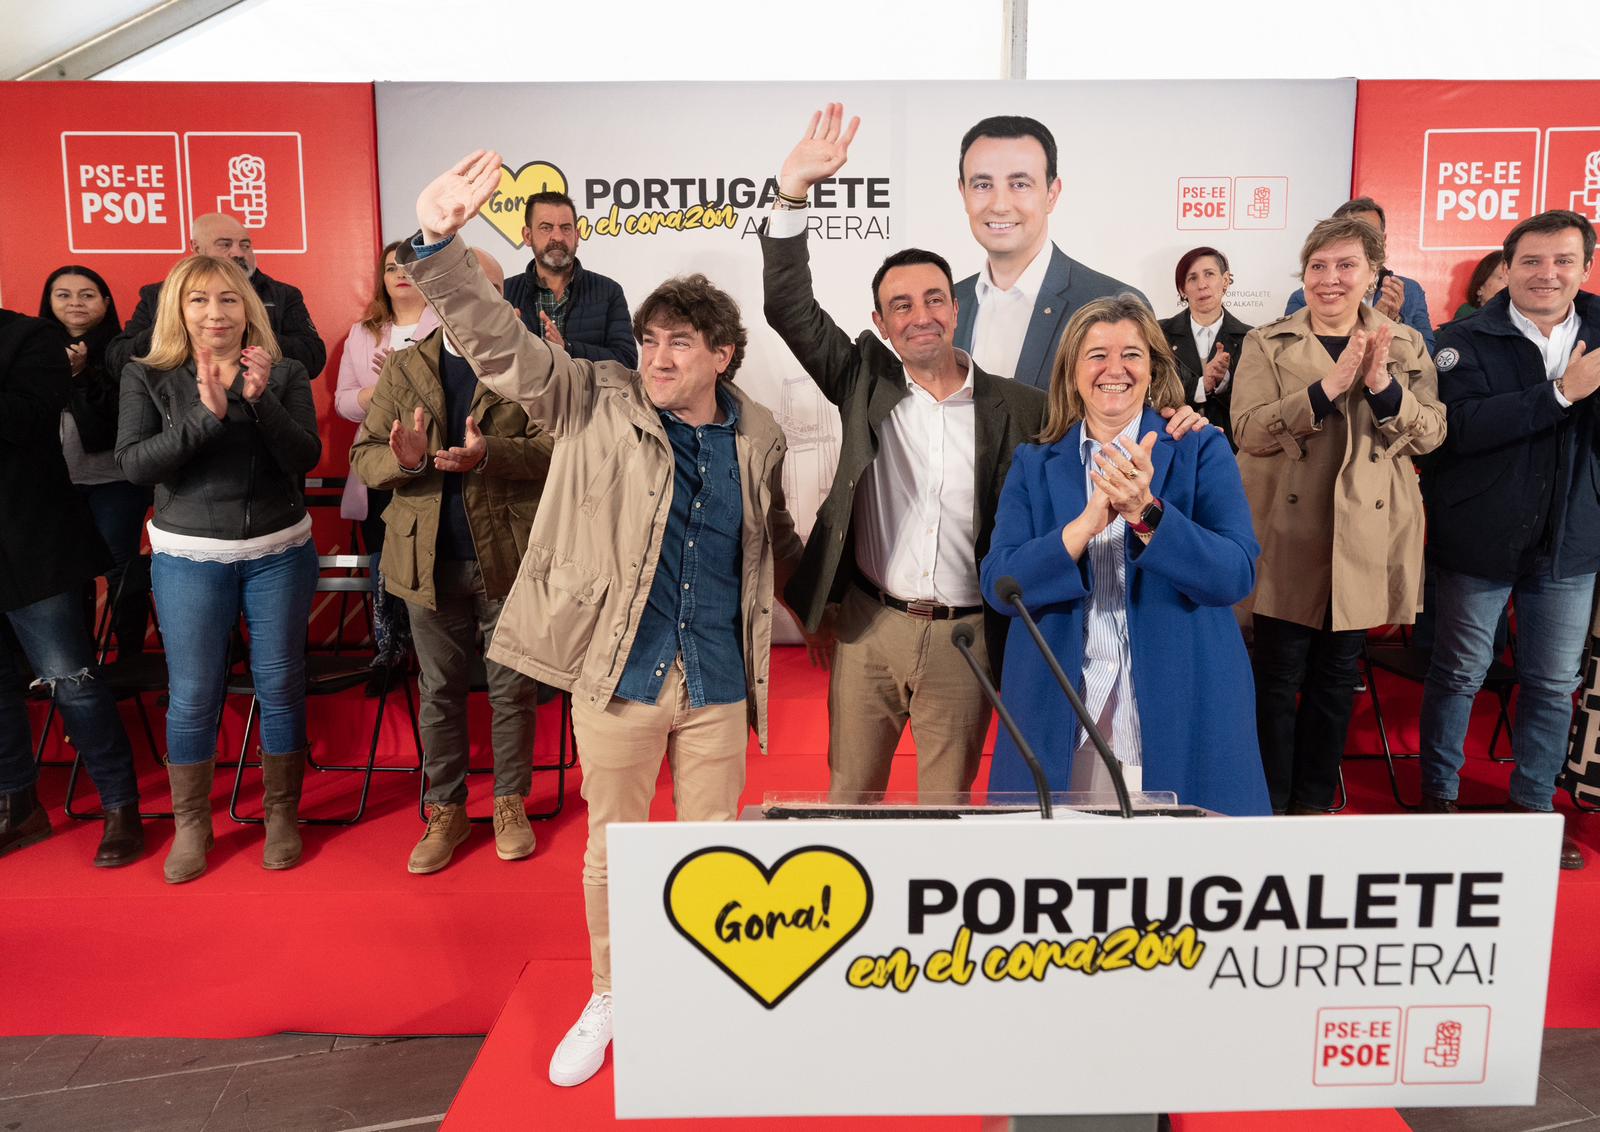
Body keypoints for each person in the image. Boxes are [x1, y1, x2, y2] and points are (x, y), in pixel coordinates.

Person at [401, 150, 802, 1088]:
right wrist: (437, 245)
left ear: (723, 357)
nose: (658, 357)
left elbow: (768, 539)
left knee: (712, 853)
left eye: (680, 345)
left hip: (714, 680)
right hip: (619, 668)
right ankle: (616, 992)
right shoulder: (593, 396)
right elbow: (501, 348)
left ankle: (703, 991)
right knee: (613, 848)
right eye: (651, 339)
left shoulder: (762, 436)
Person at [762, 103, 1046, 800]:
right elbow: (787, 305)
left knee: (943, 814)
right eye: (901, 305)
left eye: (934, 299)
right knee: (849, 801)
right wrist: (793, 194)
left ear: (956, 308)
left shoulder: (1021, 407)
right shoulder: (863, 377)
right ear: (881, 323)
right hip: (869, 628)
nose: (920, 315)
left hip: (968, 638)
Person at [979, 295, 1268, 816]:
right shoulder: (1034, 461)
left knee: (1181, 879)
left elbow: (1234, 574)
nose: (1115, 369)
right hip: (1063, 711)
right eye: (1097, 355)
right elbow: (1001, 584)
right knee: (1062, 877)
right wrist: (1085, 526)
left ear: (1153, 367)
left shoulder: (1201, 448)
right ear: (1070, 372)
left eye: (1132, 354)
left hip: (1182, 702)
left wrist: (1147, 513)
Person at [116, 254, 322, 883]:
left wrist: (258, 403)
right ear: (179, 308)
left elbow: (305, 457)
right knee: (195, 695)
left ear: (248, 308)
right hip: (190, 557)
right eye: (200, 300)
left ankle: (282, 814)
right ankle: (192, 825)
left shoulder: (281, 370)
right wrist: (207, 416)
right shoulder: (147, 374)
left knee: (281, 684)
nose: (215, 313)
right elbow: (135, 465)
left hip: (279, 552)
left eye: (229, 300)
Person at [1234, 216, 1446, 815]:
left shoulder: (1404, 344)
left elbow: (1432, 434)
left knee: (1335, 680)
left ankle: (1313, 803)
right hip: (1287, 532)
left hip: (1364, 535)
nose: (1330, 280)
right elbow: (1247, 431)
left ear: (1374, 275)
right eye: (1318, 266)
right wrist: (1325, 389)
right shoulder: (1266, 341)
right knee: (1276, 679)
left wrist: (1383, 387)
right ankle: (1267, 802)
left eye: (1346, 266)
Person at [349, 247, 552, 874]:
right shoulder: (405, 367)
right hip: (423, 559)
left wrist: (492, 455)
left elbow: (556, 451)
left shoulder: (532, 367)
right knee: (437, 689)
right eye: (456, 289)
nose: (469, 301)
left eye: (484, 289)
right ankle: (446, 810)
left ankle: (510, 803)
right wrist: (406, 461)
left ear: (504, 298)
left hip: (508, 554)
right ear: (435, 297)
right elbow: (364, 457)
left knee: (511, 689)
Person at [1419, 209, 1600, 871]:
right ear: (1509, 267)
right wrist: (1560, 393)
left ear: (1584, 266)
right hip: (1480, 537)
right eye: (1530, 261)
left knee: (1554, 683)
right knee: (1460, 672)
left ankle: (1532, 811)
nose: (1545, 273)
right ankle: (1438, 798)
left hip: (1573, 542)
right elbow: (1455, 430)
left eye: (1561, 261)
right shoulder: (1464, 338)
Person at [0, 308, 143, 866]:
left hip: (32, 545)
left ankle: (120, 805)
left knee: (72, 681)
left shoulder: (28, 336)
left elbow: (31, 422)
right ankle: (19, 806)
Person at [951, 115, 1146, 391]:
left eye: (1019, 184)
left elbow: (1151, 416)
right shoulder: (948, 305)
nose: (1000, 204)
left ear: (1052, 194)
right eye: (982, 185)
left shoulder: (1112, 302)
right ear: (963, 193)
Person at [39, 265, 154, 657]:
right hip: (55, 480)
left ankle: (131, 656)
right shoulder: (32, 351)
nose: (75, 303)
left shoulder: (125, 349)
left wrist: (82, 374)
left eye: (87, 294)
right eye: (63, 294)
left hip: (115, 479)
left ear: (105, 301)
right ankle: (80, 658)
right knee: (70, 571)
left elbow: (120, 419)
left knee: (120, 564)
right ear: (48, 302)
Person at [334, 240, 439, 671]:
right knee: (383, 561)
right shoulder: (363, 333)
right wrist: (382, 391)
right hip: (381, 461)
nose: (400, 274)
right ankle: (389, 652)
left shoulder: (445, 325)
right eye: (392, 267)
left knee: (432, 558)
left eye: (410, 267)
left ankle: (433, 658)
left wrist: (407, 382)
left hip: (433, 463)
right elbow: (342, 401)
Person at [107, 213, 327, 380]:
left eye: (245, 245)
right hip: (180, 407)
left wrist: (244, 330)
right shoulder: (159, 295)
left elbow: (312, 359)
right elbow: (119, 360)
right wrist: (177, 326)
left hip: (263, 404)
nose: (238, 253)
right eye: (225, 244)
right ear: (197, 248)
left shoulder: (282, 295)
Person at [1283, 197, 1436, 354]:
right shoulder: (1303, 298)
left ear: (1383, 241)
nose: (1330, 280)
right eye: (1350, 233)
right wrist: (1375, 320)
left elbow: (1426, 356)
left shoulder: (1408, 290)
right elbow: (1293, 358)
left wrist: (1396, 322)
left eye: (1370, 235)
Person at [502, 190, 637, 367]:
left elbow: (627, 361)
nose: (557, 237)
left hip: (588, 395)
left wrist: (567, 348)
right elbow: (483, 364)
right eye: (546, 227)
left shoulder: (608, 291)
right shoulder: (505, 293)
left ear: (576, 235)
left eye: (566, 228)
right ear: (528, 236)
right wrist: (506, 343)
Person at [1158, 247, 1253, 448]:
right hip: (1172, 444)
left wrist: (1224, 382)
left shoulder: (1250, 338)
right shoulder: (1159, 334)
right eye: (1192, 278)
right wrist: (1203, 385)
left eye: (1209, 274)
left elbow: (1254, 406)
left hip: (1230, 449)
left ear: (1225, 280)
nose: (1202, 285)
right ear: (1182, 289)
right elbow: (1153, 394)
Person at [1453, 251, 1508, 321]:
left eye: (1514, 279)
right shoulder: (1467, 319)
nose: (1510, 285)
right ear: (1480, 287)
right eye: (1502, 278)